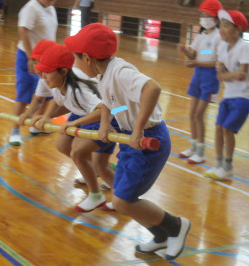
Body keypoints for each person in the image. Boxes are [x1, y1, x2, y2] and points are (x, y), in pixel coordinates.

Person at [65, 23, 191, 261]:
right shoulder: (104, 76)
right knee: (122, 197)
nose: (75, 65)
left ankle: (176, 226)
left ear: (87, 58)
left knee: (122, 201)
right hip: (129, 142)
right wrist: (105, 122)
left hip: (148, 140)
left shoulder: (120, 71)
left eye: (76, 59)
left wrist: (139, 128)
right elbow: (118, 104)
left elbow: (152, 89)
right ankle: (160, 235)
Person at [31, 44, 118, 212]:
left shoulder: (78, 90)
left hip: (109, 117)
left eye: (47, 72)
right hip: (89, 113)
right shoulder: (58, 85)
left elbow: (102, 110)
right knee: (64, 146)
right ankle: (100, 176)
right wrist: (48, 116)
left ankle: (96, 195)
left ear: (63, 71)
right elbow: (61, 102)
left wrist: (75, 123)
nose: (43, 76)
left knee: (78, 152)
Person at [9, 0, 60, 145]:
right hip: (28, 56)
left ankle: (36, 125)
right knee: (24, 94)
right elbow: (23, 30)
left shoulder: (50, 9)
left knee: (46, 93)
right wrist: (31, 57)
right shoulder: (31, 8)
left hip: (46, 59)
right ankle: (15, 130)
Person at [204, 10, 249, 180]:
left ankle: (228, 167)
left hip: (243, 97)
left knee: (227, 128)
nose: (222, 28)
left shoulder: (244, 47)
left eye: (226, 25)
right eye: (221, 24)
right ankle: (219, 164)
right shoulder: (223, 48)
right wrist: (228, 74)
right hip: (228, 95)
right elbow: (220, 76)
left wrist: (226, 74)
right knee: (217, 128)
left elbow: (241, 75)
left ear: (238, 29)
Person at [177, 0, 223, 164]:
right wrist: (185, 52)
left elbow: (217, 61)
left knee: (198, 114)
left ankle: (201, 152)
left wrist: (196, 62)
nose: (203, 18)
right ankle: (193, 147)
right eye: (202, 14)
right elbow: (194, 55)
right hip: (197, 76)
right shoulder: (202, 35)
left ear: (216, 18)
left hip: (210, 78)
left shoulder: (219, 37)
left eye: (207, 15)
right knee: (191, 114)